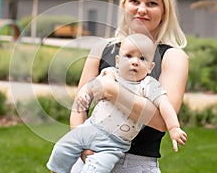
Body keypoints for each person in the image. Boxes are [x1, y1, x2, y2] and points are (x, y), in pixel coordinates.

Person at [70, 0, 189, 172]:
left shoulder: (173, 57)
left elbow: (160, 122)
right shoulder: (102, 49)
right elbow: (79, 106)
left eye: (152, 3)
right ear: (124, 4)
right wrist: (82, 147)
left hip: (134, 164)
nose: (141, 9)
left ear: (165, 12)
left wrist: (112, 90)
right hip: (90, 158)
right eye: (134, 1)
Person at [46, 34, 187, 173]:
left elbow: (165, 105)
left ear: (150, 67)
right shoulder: (111, 73)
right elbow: (91, 85)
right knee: (63, 147)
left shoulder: (149, 86)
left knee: (97, 167)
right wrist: (84, 93)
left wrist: (174, 127)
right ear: (118, 61)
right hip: (90, 128)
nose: (135, 61)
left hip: (114, 143)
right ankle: (58, 170)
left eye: (142, 58)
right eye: (129, 56)